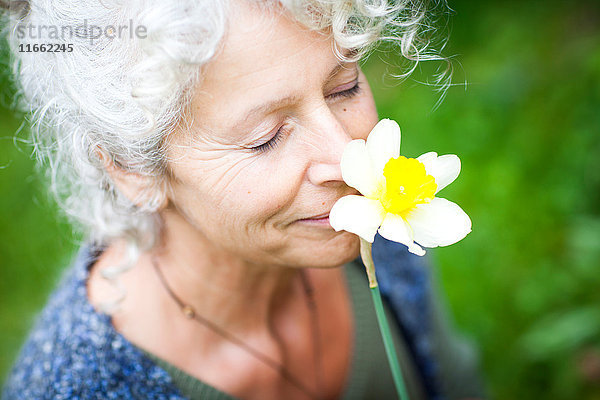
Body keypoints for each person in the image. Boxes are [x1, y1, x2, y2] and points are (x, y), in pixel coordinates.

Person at [1, 0, 484, 399]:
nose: (349, 158)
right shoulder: (76, 386)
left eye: (345, 86)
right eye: (266, 138)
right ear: (132, 169)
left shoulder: (378, 233)